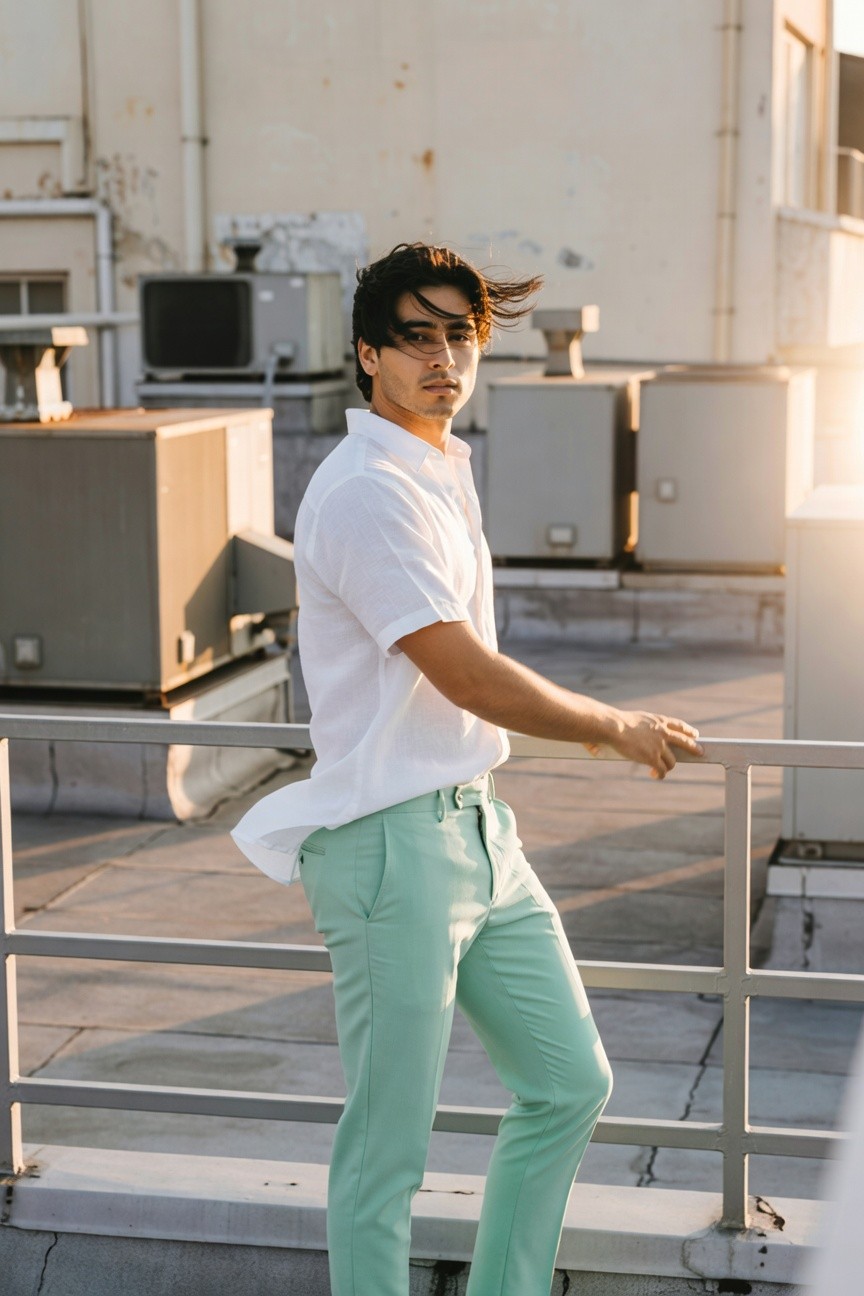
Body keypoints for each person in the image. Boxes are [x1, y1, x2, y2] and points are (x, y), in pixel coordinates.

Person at [231, 242, 703, 1296]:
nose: (446, 355)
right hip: (392, 849)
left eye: (462, 334)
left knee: (570, 1081)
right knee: (386, 1155)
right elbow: (466, 677)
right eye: (418, 335)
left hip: (477, 832)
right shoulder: (364, 491)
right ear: (367, 355)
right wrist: (610, 726)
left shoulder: (432, 470)